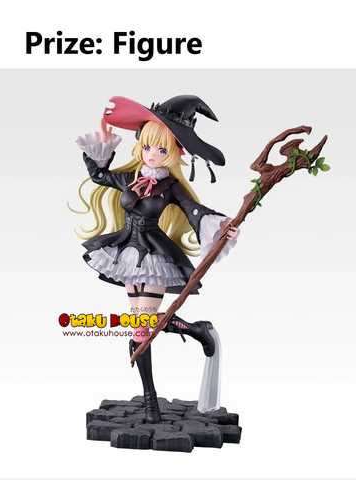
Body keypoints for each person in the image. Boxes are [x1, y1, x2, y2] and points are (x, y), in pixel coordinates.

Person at [73, 95, 239, 423]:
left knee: (140, 329)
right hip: (125, 253)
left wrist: (221, 227)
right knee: (142, 325)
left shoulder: (171, 186)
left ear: (176, 151)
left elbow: (194, 210)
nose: (152, 154)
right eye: (148, 146)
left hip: (154, 257)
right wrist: (103, 144)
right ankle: (196, 331)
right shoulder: (132, 177)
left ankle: (151, 403)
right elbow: (100, 176)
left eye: (162, 149)